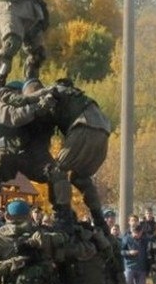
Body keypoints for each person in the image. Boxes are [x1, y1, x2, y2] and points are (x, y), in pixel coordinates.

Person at [44, 78, 112, 231]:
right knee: (80, 178)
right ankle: (99, 219)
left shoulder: (57, 91)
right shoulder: (82, 98)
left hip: (84, 127)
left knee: (56, 170)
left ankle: (63, 217)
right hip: (103, 133)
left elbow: (44, 106)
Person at [120, 216, 147, 284]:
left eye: (138, 233)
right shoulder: (126, 239)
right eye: (135, 233)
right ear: (132, 232)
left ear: (141, 233)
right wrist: (129, 252)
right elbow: (121, 251)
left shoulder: (145, 240)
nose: (136, 235)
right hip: (129, 266)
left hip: (142, 267)